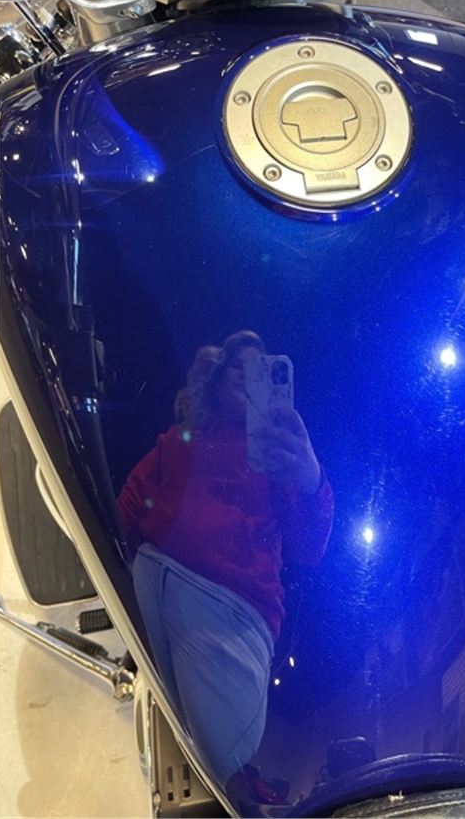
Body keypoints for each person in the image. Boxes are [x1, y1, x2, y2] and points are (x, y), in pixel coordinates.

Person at [118, 330, 333, 785]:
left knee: (220, 762)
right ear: (215, 380)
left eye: (260, 369)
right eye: (239, 365)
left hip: (231, 610)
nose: (247, 374)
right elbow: (126, 507)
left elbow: (309, 547)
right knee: (136, 735)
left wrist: (310, 476)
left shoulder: (278, 457)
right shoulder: (177, 441)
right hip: (150, 581)